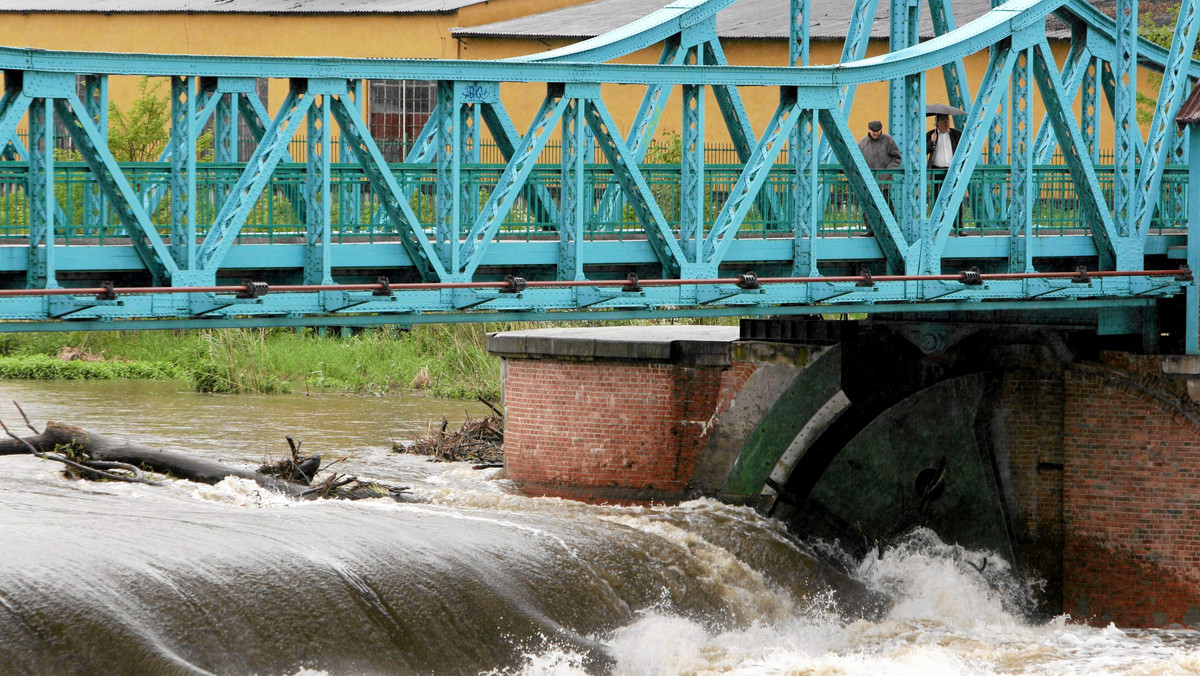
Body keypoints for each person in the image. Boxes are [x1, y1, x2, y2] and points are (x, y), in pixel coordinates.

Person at [857, 120, 901, 227]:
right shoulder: (862, 143)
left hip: (883, 181)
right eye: (873, 131)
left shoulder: (888, 140)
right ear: (869, 130)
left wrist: (886, 173)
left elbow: (896, 158)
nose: (875, 133)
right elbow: (857, 160)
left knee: (886, 206)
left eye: (877, 131)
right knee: (867, 207)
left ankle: (893, 229)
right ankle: (871, 229)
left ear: (881, 129)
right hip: (868, 181)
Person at [926, 113, 964, 229]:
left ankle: (958, 226)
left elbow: (964, 149)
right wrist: (931, 142)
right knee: (938, 199)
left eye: (948, 121)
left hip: (953, 170)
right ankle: (938, 226)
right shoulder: (930, 135)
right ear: (937, 123)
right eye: (944, 122)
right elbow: (924, 151)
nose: (947, 124)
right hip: (937, 171)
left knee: (956, 198)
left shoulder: (956, 134)